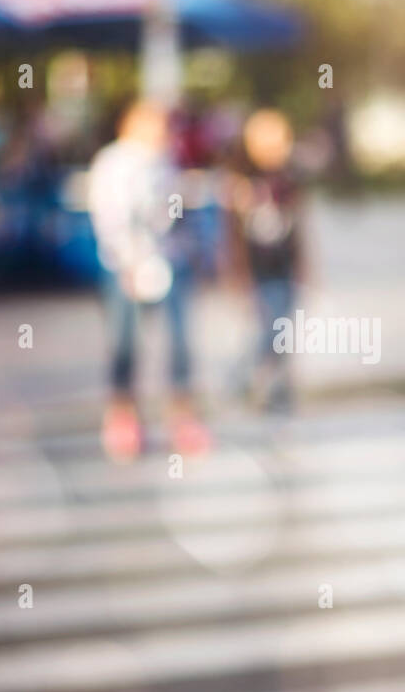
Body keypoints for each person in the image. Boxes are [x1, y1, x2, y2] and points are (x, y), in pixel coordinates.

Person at [87, 100, 211, 460]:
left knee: (180, 342)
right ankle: (123, 416)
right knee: (124, 343)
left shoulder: (167, 162)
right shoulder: (112, 163)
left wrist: (187, 248)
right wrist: (128, 263)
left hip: (170, 262)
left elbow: (177, 214)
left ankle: (183, 416)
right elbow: (108, 218)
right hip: (125, 268)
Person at [226, 108, 308, 414]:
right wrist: (237, 272)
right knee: (266, 329)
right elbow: (232, 233)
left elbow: (300, 223)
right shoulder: (240, 179)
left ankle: (278, 386)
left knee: (284, 328)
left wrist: (305, 264)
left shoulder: (290, 178)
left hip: (284, 264)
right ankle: (242, 378)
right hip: (256, 267)